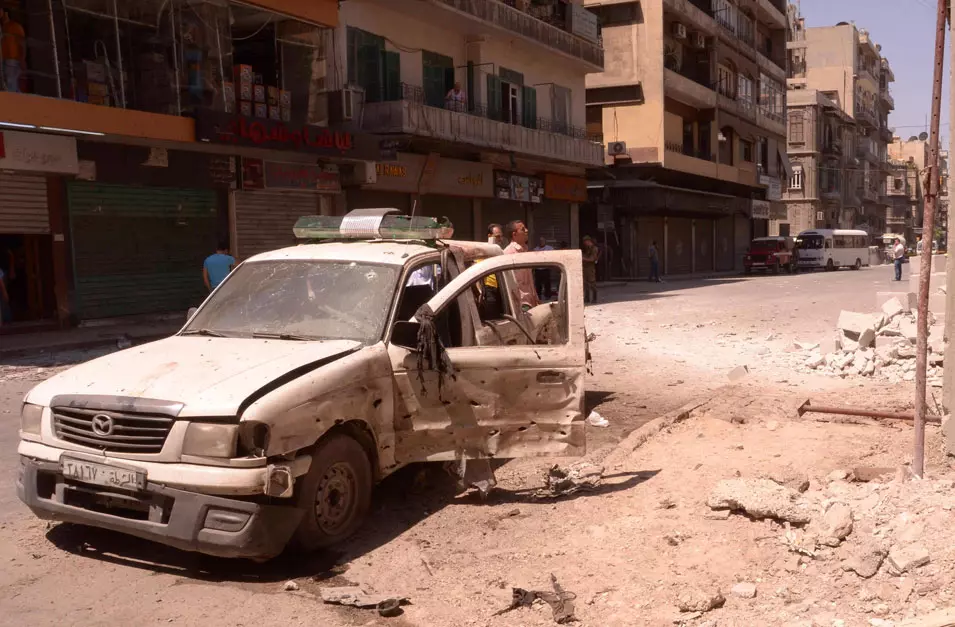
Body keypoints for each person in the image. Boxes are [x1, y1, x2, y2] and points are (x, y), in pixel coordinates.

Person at [503, 220, 539, 311]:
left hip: (531, 302)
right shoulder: (508, 253)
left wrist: (536, 298)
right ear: (514, 234)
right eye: (523, 229)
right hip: (521, 305)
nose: (526, 230)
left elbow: (529, 280)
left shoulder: (525, 251)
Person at [1, 8, 25, 93]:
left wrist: (22, 59)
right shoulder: (3, 27)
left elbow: (22, 44)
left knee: (11, 82)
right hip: (3, 58)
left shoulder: (15, 26)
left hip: (13, 59)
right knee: (7, 82)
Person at [581, 236, 599, 304]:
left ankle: (594, 298)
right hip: (585, 268)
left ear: (589, 241)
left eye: (585, 241)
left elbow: (592, 259)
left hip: (590, 268)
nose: (584, 243)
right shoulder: (587, 249)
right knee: (585, 284)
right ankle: (587, 298)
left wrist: (583, 258)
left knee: (592, 284)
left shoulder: (594, 249)